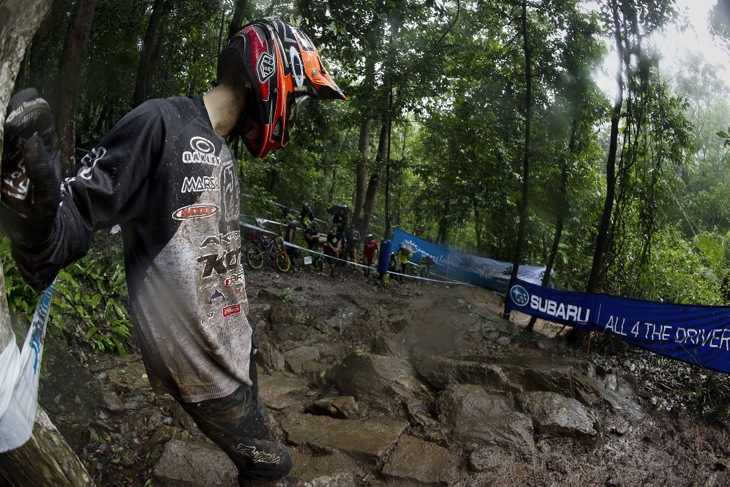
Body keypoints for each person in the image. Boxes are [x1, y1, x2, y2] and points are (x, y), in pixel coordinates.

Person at [0, 18, 345, 485]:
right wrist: (35, 207)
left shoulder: (221, 153)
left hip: (233, 351)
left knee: (260, 462)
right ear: (271, 73)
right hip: (201, 368)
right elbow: (71, 221)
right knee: (270, 467)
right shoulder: (159, 122)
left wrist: (245, 335)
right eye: (298, 98)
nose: (295, 115)